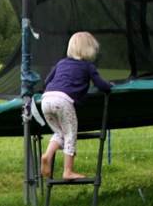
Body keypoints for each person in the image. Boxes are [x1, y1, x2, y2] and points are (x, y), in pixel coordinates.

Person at [39, 31, 113, 180]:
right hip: (63, 102)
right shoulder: (88, 66)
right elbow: (101, 85)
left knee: (60, 133)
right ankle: (68, 171)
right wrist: (109, 86)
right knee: (70, 135)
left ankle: (47, 154)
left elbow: (47, 82)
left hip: (46, 100)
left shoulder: (61, 63)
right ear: (90, 50)